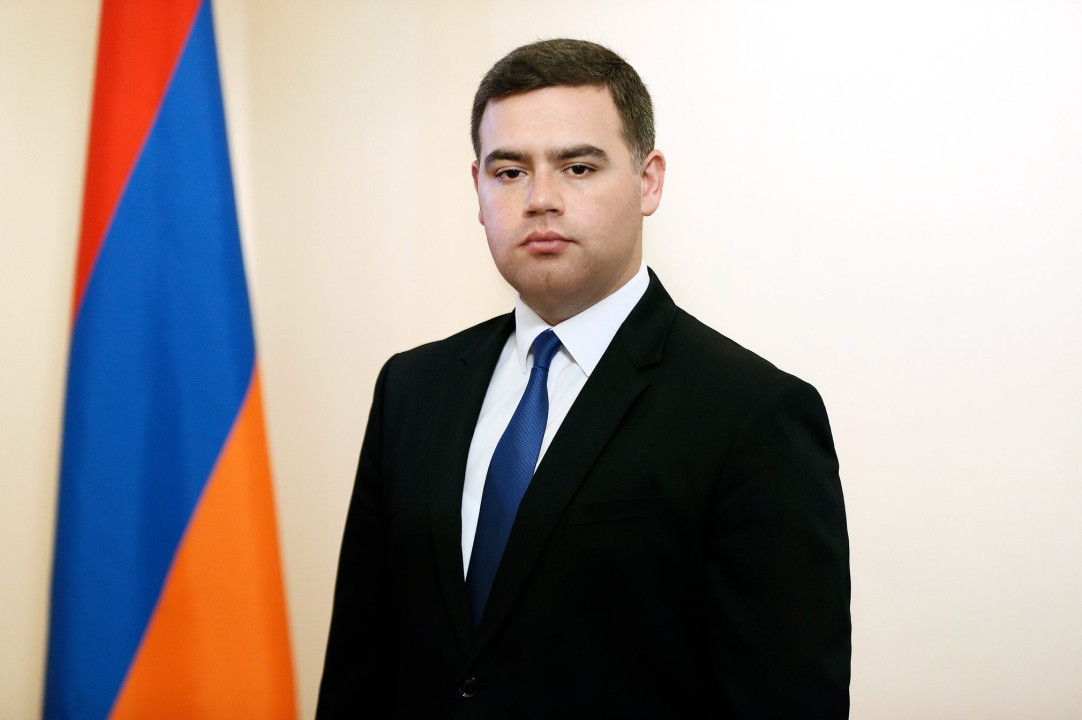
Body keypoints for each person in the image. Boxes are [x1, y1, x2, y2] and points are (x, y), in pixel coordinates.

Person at [317, 38, 850, 718]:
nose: (540, 198)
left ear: (648, 181)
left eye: (577, 167)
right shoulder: (411, 389)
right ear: (477, 189)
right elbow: (361, 669)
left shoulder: (753, 414)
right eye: (509, 171)